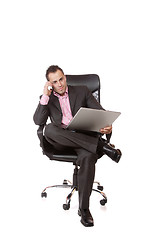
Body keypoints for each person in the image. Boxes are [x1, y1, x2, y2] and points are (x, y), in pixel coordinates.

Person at [33, 65, 122, 227]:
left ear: (65, 77)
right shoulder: (47, 98)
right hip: (61, 141)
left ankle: (84, 209)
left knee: (88, 157)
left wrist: (106, 124)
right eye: (55, 82)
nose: (59, 84)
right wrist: (45, 96)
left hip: (84, 140)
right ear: (49, 83)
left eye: (61, 79)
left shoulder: (82, 91)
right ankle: (101, 146)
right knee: (49, 129)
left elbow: (100, 112)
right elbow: (38, 121)